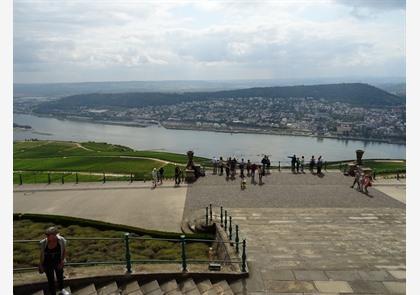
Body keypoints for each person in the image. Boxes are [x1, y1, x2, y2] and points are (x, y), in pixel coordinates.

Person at [39, 226, 69, 295]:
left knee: (60, 276)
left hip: (58, 261)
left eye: (49, 235)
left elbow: (64, 251)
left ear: (54, 235)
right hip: (47, 263)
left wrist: (62, 261)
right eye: (46, 234)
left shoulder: (61, 240)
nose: (47, 236)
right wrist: (40, 264)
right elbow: (41, 254)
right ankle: (53, 292)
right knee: (50, 279)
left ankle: (62, 289)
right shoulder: (43, 243)